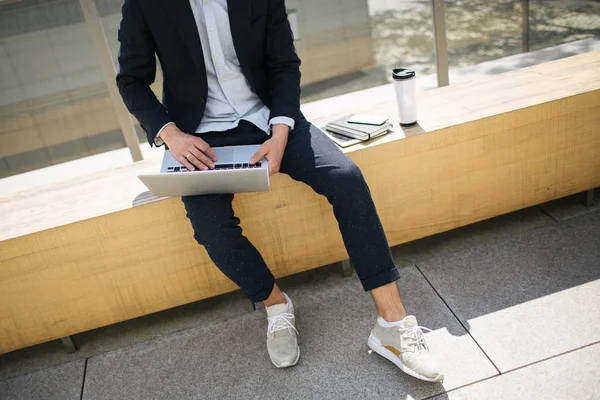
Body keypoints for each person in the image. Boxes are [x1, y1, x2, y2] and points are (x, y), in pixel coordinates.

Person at [116, 0, 443, 382]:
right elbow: (131, 79)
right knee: (209, 227)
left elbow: (284, 64)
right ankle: (276, 304)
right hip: (198, 136)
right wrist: (170, 134)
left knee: (346, 179)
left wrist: (281, 130)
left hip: (271, 119)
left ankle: (391, 325)